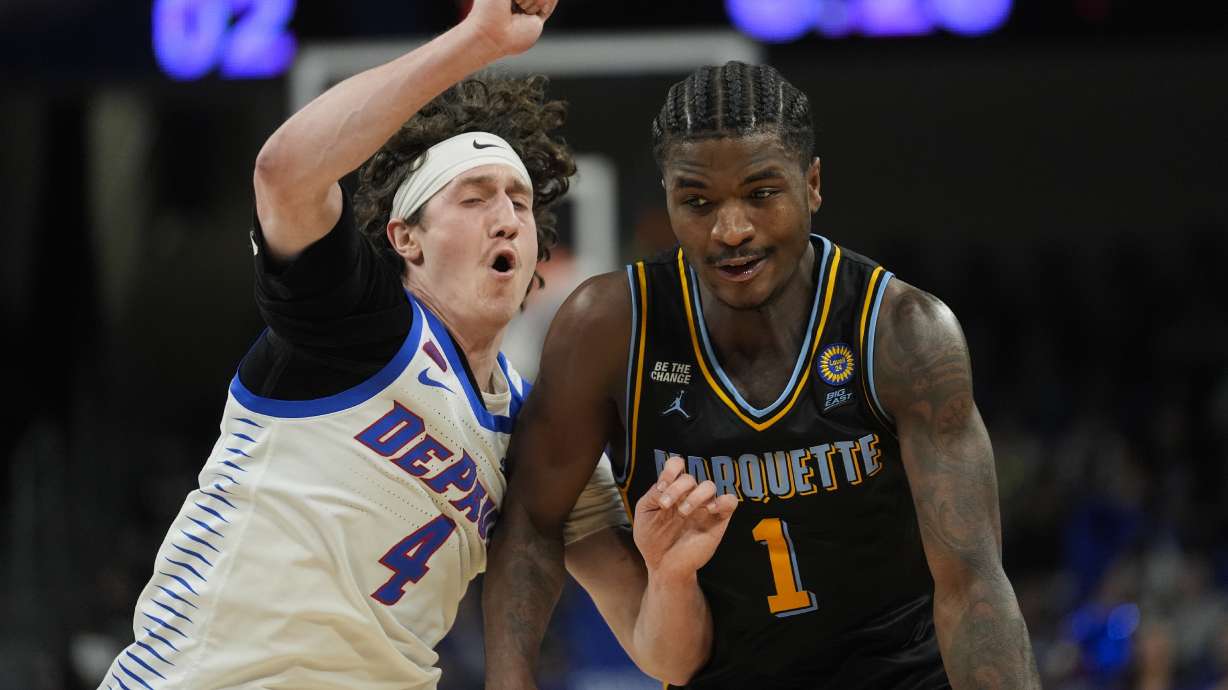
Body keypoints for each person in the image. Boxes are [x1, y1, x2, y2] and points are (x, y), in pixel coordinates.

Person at [99, 2, 734, 688]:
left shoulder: (542, 427)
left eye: (520, 203)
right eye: (474, 198)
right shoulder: (355, 320)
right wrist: (476, 40)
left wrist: (671, 572)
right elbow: (283, 172)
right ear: (406, 237)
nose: (507, 219)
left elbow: (665, 656)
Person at [484, 61, 1043, 689]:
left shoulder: (904, 332)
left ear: (813, 184)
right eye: (696, 201)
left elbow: (972, 584)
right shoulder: (608, 328)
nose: (731, 230)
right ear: (667, 198)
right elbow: (531, 519)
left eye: (761, 194)